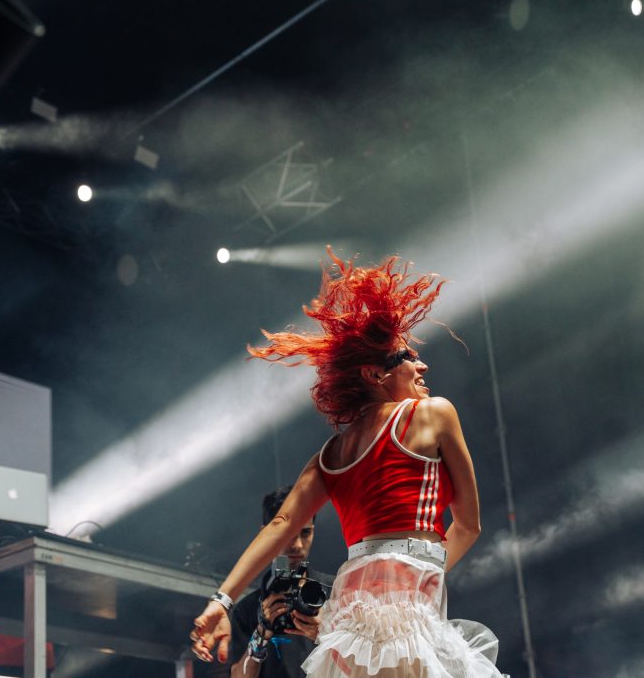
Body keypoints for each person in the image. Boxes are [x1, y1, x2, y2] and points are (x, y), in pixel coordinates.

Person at [191, 248, 503, 677]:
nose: (422, 364)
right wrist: (421, 569)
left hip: (352, 600)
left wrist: (221, 600)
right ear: (374, 374)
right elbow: (468, 526)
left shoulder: (330, 455)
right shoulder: (432, 413)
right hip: (406, 598)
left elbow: (281, 524)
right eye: (408, 357)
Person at [229, 485, 329, 677]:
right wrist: (261, 634)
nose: (297, 545)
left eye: (305, 533)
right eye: (287, 533)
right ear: (265, 536)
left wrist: (327, 634)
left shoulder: (338, 592)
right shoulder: (247, 610)